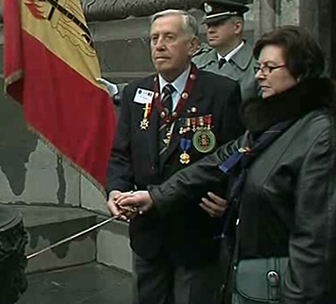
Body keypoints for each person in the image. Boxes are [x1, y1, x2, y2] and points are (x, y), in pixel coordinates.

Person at [115, 25, 336, 303]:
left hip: (283, 284)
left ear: (300, 73)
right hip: (248, 277)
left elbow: (316, 237)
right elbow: (217, 162)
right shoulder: (266, 126)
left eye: (270, 68)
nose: (259, 75)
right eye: (259, 67)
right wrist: (155, 197)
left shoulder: (320, 136)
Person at [106, 9, 244, 304]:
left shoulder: (222, 92)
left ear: (193, 46)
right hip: (148, 234)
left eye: (169, 37)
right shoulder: (135, 92)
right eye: (154, 38)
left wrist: (230, 198)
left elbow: (236, 156)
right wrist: (115, 190)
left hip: (196, 231)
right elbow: (120, 155)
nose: (159, 45)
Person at [193, 0, 258, 102]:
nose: (210, 30)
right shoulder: (196, 63)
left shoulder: (257, 64)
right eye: (209, 25)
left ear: (237, 27)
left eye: (217, 24)